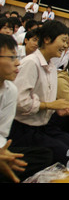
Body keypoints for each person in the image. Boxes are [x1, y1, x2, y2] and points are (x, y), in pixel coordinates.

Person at [9, 20, 69, 165]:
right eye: (63, 40)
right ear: (47, 39)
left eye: (67, 41)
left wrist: (57, 109)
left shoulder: (51, 67)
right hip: (23, 128)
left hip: (44, 126)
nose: (65, 45)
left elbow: (48, 102)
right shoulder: (31, 63)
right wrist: (50, 105)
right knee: (68, 157)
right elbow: (19, 102)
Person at [0, 34, 53, 183]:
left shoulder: (10, 90)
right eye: (11, 58)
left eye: (17, 57)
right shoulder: (31, 63)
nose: (17, 63)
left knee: (44, 156)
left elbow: (2, 133)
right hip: (23, 128)